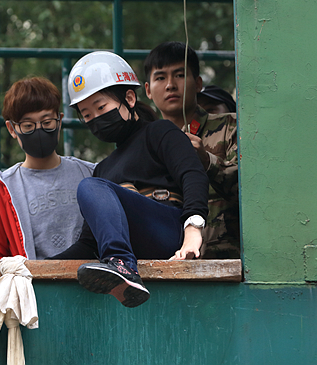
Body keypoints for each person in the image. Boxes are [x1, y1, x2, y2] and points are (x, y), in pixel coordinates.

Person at [53, 51, 209, 308]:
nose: (96, 119)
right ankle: (120, 264)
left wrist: (193, 231)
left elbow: (192, 174)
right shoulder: (103, 169)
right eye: (87, 115)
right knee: (92, 187)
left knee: (89, 187)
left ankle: (121, 264)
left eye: (101, 107)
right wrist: (37, 266)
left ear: (129, 98)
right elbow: (88, 244)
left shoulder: (160, 132)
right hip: (134, 243)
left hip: (169, 231)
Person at [0, 77, 95, 260]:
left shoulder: (92, 174)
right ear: (12, 129)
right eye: (28, 125)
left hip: (90, 277)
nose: (39, 130)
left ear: (59, 121)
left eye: (47, 122)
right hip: (31, 279)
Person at [144, 41, 239, 259]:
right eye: (160, 78)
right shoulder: (145, 144)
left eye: (179, 75)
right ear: (148, 90)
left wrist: (207, 162)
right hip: (168, 265)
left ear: (197, 83)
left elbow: (254, 191)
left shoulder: (230, 127)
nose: (170, 85)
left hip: (228, 263)